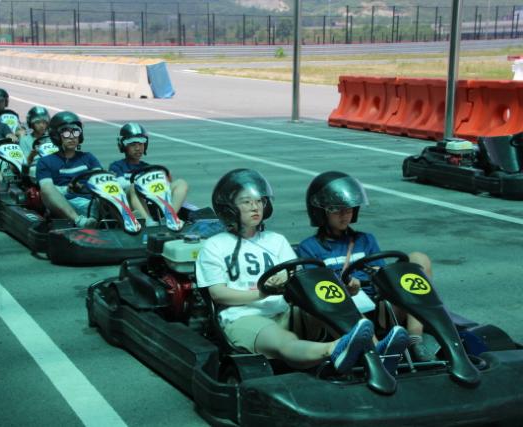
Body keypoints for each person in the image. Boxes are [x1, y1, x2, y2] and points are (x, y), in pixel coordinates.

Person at [194, 168, 397, 373]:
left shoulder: (276, 240)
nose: (255, 207)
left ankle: (378, 352)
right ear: (229, 208)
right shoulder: (215, 245)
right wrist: (262, 293)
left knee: (334, 303)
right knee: (285, 340)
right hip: (244, 316)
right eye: (246, 202)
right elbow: (218, 294)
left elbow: (300, 279)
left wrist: (288, 278)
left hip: (285, 310)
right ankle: (335, 349)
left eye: (259, 201)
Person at [298, 171, 435, 366]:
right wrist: (345, 289)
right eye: (336, 209)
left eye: (349, 208)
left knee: (419, 259)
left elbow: (383, 276)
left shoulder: (365, 240)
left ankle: (415, 339)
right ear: (320, 212)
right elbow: (315, 290)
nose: (345, 214)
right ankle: (378, 355)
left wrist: (378, 278)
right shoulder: (309, 247)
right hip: (342, 312)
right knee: (344, 308)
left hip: (379, 307)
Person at [108, 122, 188, 226]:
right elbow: (119, 185)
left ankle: (170, 217)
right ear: (123, 146)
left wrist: (164, 179)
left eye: (141, 144)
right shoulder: (117, 166)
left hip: (151, 202)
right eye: (133, 144)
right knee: (133, 187)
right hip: (129, 206)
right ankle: (148, 221)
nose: (138, 148)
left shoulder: (148, 167)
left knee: (181, 183)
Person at [36, 111, 102, 228]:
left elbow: (100, 179)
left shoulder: (88, 157)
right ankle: (80, 221)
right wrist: (68, 190)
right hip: (66, 203)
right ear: (56, 136)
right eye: (66, 132)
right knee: (45, 191)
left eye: (75, 132)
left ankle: (129, 219)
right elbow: (47, 189)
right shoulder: (45, 161)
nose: (72, 137)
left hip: (93, 201)